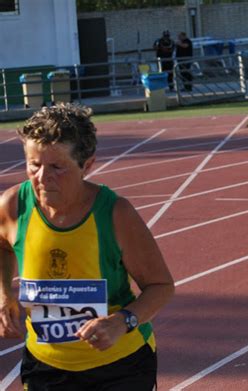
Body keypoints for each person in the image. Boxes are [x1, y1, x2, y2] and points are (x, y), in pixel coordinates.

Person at [0, 103, 175, 389]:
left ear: (87, 164)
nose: (42, 178)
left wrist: (123, 322)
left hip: (120, 366)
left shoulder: (116, 214)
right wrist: (5, 295)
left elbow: (161, 286)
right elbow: (2, 247)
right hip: (45, 366)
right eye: (34, 164)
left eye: (57, 167)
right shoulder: (13, 206)